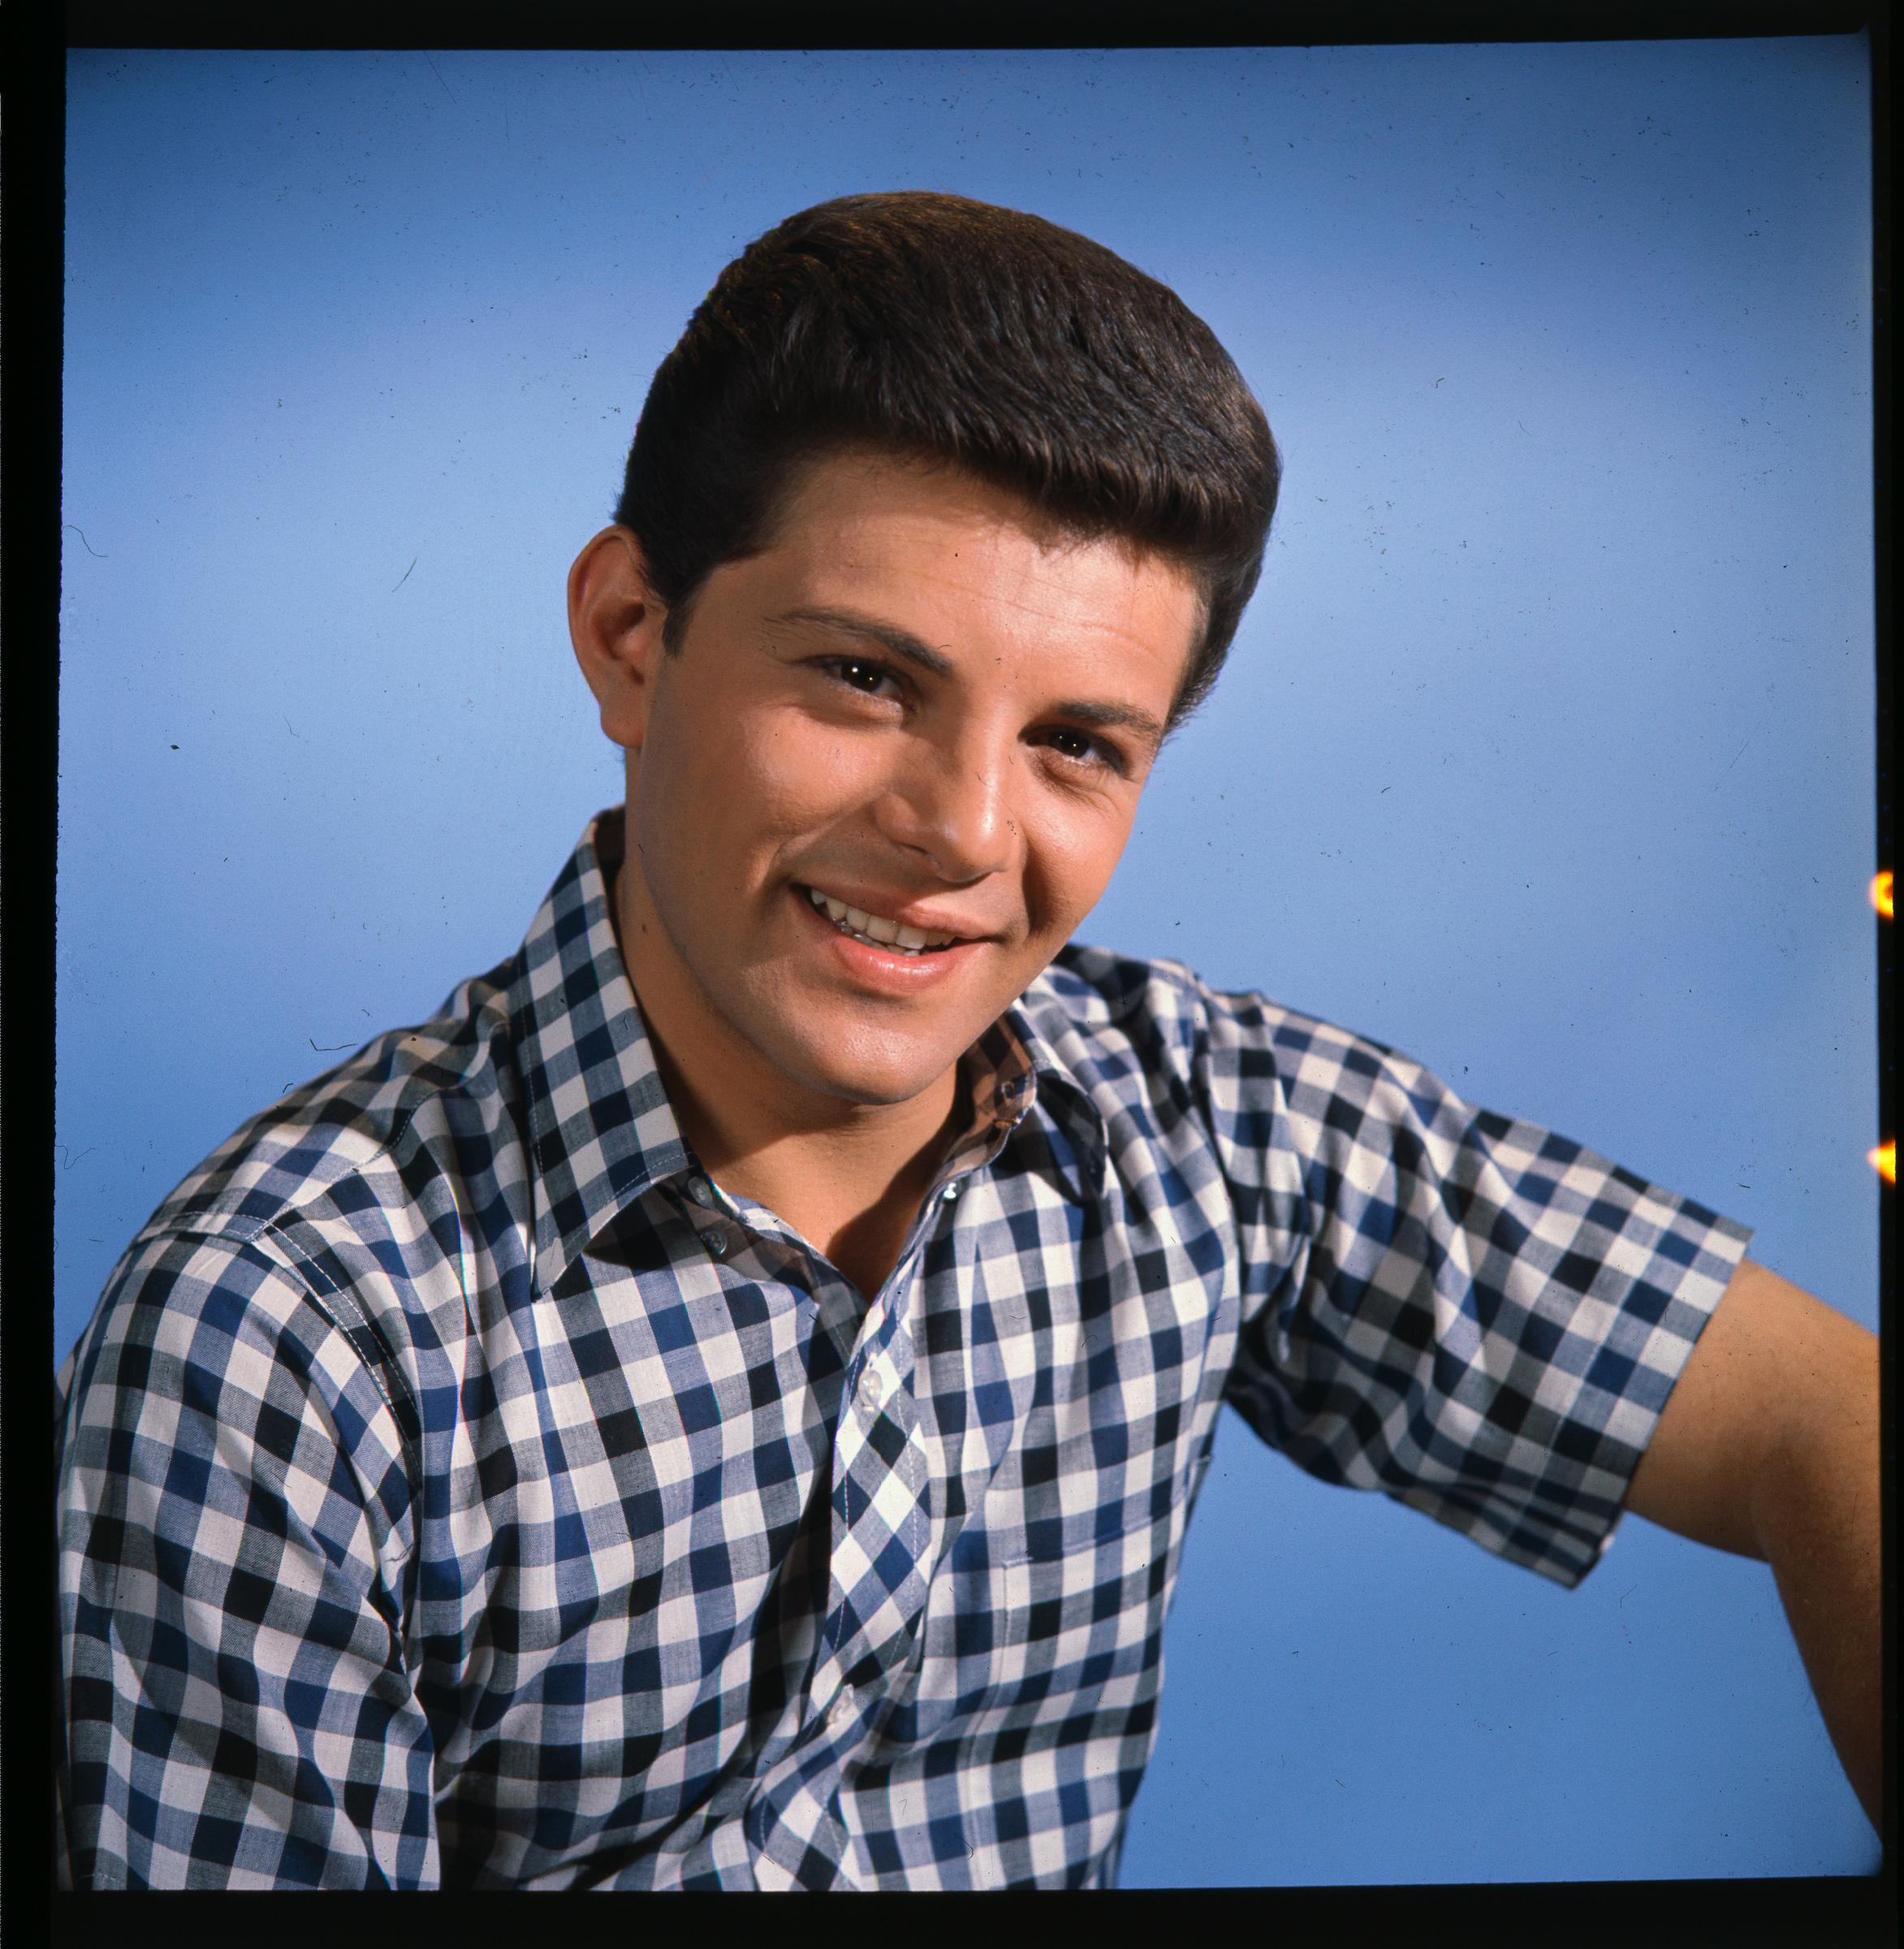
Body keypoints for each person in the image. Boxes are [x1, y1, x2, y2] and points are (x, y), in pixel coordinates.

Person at [54, 190, 1880, 1891]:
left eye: (1078, 741)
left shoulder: (1206, 1127)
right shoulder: (289, 1334)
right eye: (864, 677)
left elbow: (1822, 1420)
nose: (964, 832)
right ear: (629, 635)